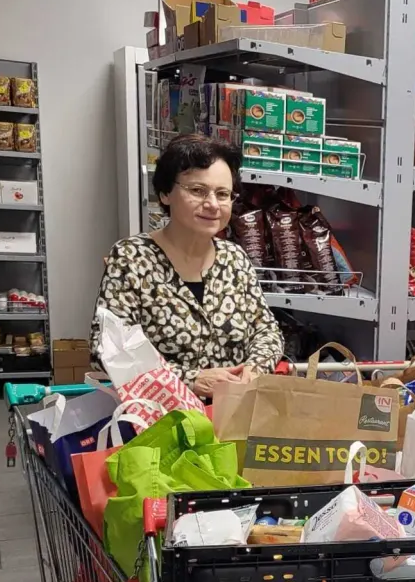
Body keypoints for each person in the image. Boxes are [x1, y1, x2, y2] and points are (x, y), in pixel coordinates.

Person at [90, 133, 283, 397]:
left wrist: (254, 369)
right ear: (165, 193)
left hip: (230, 413)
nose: (212, 204)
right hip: (161, 414)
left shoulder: (235, 259)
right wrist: (191, 379)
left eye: (223, 194)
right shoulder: (132, 258)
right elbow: (107, 350)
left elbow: (267, 330)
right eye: (197, 191)